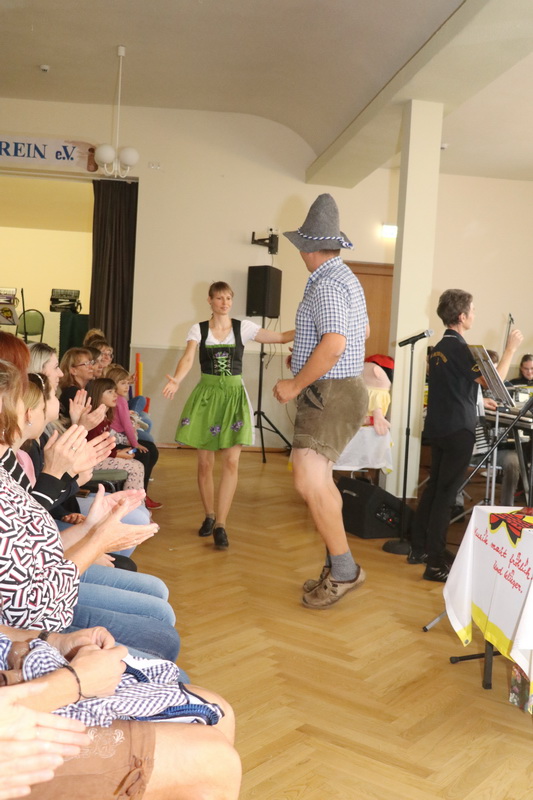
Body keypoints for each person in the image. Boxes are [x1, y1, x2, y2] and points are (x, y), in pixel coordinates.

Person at [0, 359, 180, 662]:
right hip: (34, 630)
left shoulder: (7, 469)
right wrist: (96, 540)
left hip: (47, 608)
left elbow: (33, 544)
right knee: (161, 633)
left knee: (163, 631)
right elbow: (35, 607)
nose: (29, 408)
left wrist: (90, 527)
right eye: (23, 401)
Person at [0, 625, 241, 800]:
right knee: (214, 762)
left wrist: (55, 640)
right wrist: (76, 682)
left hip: (22, 669)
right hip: (11, 728)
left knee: (218, 709)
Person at [274, 193, 369, 609]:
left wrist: (296, 384)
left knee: (308, 480)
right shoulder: (345, 277)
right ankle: (339, 564)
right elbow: (360, 335)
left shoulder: (327, 283)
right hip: (338, 388)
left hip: (331, 390)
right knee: (319, 481)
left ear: (308, 247)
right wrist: (306, 356)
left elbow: (334, 344)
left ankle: (345, 570)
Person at [163, 281, 294, 549]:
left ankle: (221, 524)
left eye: (228, 298)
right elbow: (188, 358)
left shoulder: (243, 328)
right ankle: (209, 514)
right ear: (210, 301)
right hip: (207, 397)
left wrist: (312, 329)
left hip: (234, 397)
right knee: (205, 463)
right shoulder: (198, 329)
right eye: (219, 298)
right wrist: (177, 379)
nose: (225, 303)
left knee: (232, 462)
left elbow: (281, 337)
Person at [408, 289, 523, 581]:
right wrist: (510, 350)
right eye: (472, 310)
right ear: (461, 316)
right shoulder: (461, 348)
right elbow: (494, 384)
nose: (474, 314)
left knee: (435, 488)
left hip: (439, 428)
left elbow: (456, 388)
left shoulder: (439, 347)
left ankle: (419, 548)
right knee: (446, 495)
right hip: (458, 430)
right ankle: (435, 563)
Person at [106, 364, 162, 509]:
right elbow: (127, 426)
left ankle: (143, 492)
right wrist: (135, 444)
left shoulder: (119, 399)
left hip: (118, 439)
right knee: (145, 453)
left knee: (151, 449)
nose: (127, 387)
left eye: (127, 383)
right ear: (114, 384)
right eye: (122, 383)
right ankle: (139, 495)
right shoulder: (120, 400)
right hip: (116, 441)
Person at [86, 377, 146, 491]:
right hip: (92, 461)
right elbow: (94, 448)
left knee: (137, 465)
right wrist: (116, 454)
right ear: (98, 395)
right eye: (110, 392)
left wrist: (117, 452)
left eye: (114, 391)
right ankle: (131, 501)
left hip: (102, 456)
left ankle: (136, 500)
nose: (115, 395)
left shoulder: (105, 417)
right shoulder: (94, 418)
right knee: (136, 467)